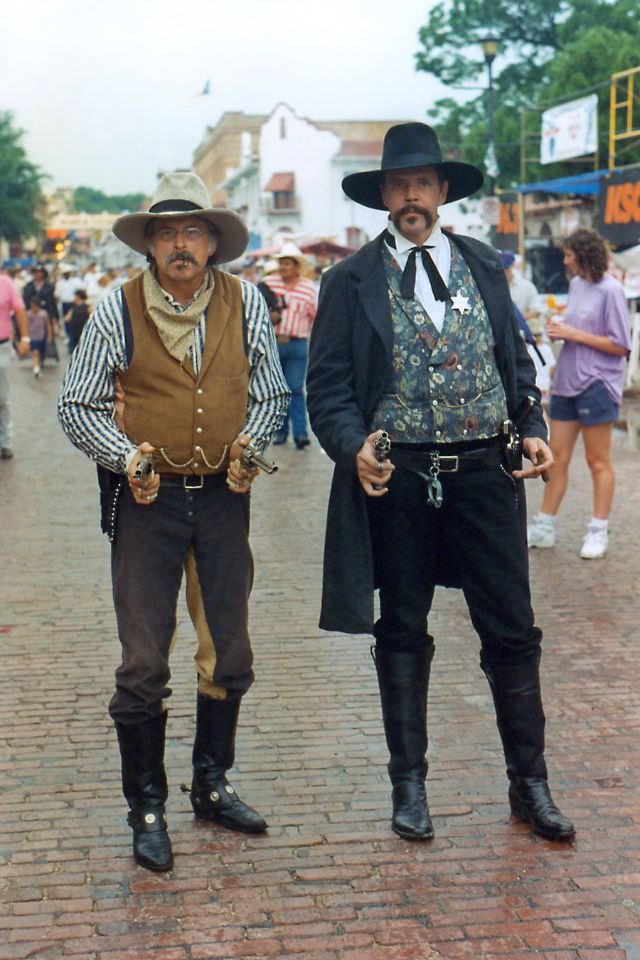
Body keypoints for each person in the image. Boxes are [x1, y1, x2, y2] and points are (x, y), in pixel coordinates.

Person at [307, 122, 575, 844]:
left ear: (443, 191)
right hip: (401, 478)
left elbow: (516, 371)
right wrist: (350, 446)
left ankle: (531, 785)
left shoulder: (485, 265)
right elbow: (327, 389)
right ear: (383, 197)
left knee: (512, 630)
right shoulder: (349, 280)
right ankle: (410, 786)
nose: (411, 197)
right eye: (398, 185)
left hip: (487, 475)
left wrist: (535, 428)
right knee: (402, 628)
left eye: (422, 183)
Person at [58, 171, 290, 872]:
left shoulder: (246, 301)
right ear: (149, 244)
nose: (180, 244)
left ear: (215, 241)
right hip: (147, 502)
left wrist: (251, 442)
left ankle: (212, 786)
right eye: (167, 233)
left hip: (223, 497)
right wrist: (124, 456)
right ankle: (147, 806)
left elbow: (272, 391)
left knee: (229, 651)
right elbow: (77, 404)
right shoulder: (114, 309)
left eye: (193, 231)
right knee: (142, 661)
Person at [527, 229, 631, 559]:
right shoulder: (576, 285)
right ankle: (544, 525)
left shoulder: (611, 290)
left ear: (585, 255)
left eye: (569, 254)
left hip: (597, 384)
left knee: (597, 460)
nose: (565, 259)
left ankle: (598, 529)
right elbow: (580, 332)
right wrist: (560, 332)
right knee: (556, 457)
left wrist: (573, 332)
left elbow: (620, 345)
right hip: (567, 383)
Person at [263, 242, 317, 449]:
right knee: (278, 389)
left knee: (295, 388)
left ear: (296, 266)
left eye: (287, 264)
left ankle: (301, 433)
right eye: (281, 263)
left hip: (298, 344)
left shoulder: (307, 287)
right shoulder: (268, 284)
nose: (283, 267)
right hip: (274, 343)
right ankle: (281, 432)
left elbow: (315, 316)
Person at [0, 269, 30, 459]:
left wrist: (25, 338)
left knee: (2, 398)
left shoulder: (5, 283)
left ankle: (6, 441)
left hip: (1, 347)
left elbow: (19, 310)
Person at [27, 297, 52, 377]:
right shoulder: (28, 314)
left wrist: (49, 335)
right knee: (35, 352)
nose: (33, 308)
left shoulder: (43, 313)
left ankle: (39, 363)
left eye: (34, 306)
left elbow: (48, 325)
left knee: (41, 353)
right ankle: (36, 369)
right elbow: (26, 326)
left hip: (41, 336)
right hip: (32, 337)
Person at [63, 288, 90, 353]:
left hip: (82, 328)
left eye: (75, 296)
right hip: (75, 328)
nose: (74, 298)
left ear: (78, 296)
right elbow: (67, 318)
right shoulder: (74, 306)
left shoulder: (87, 305)